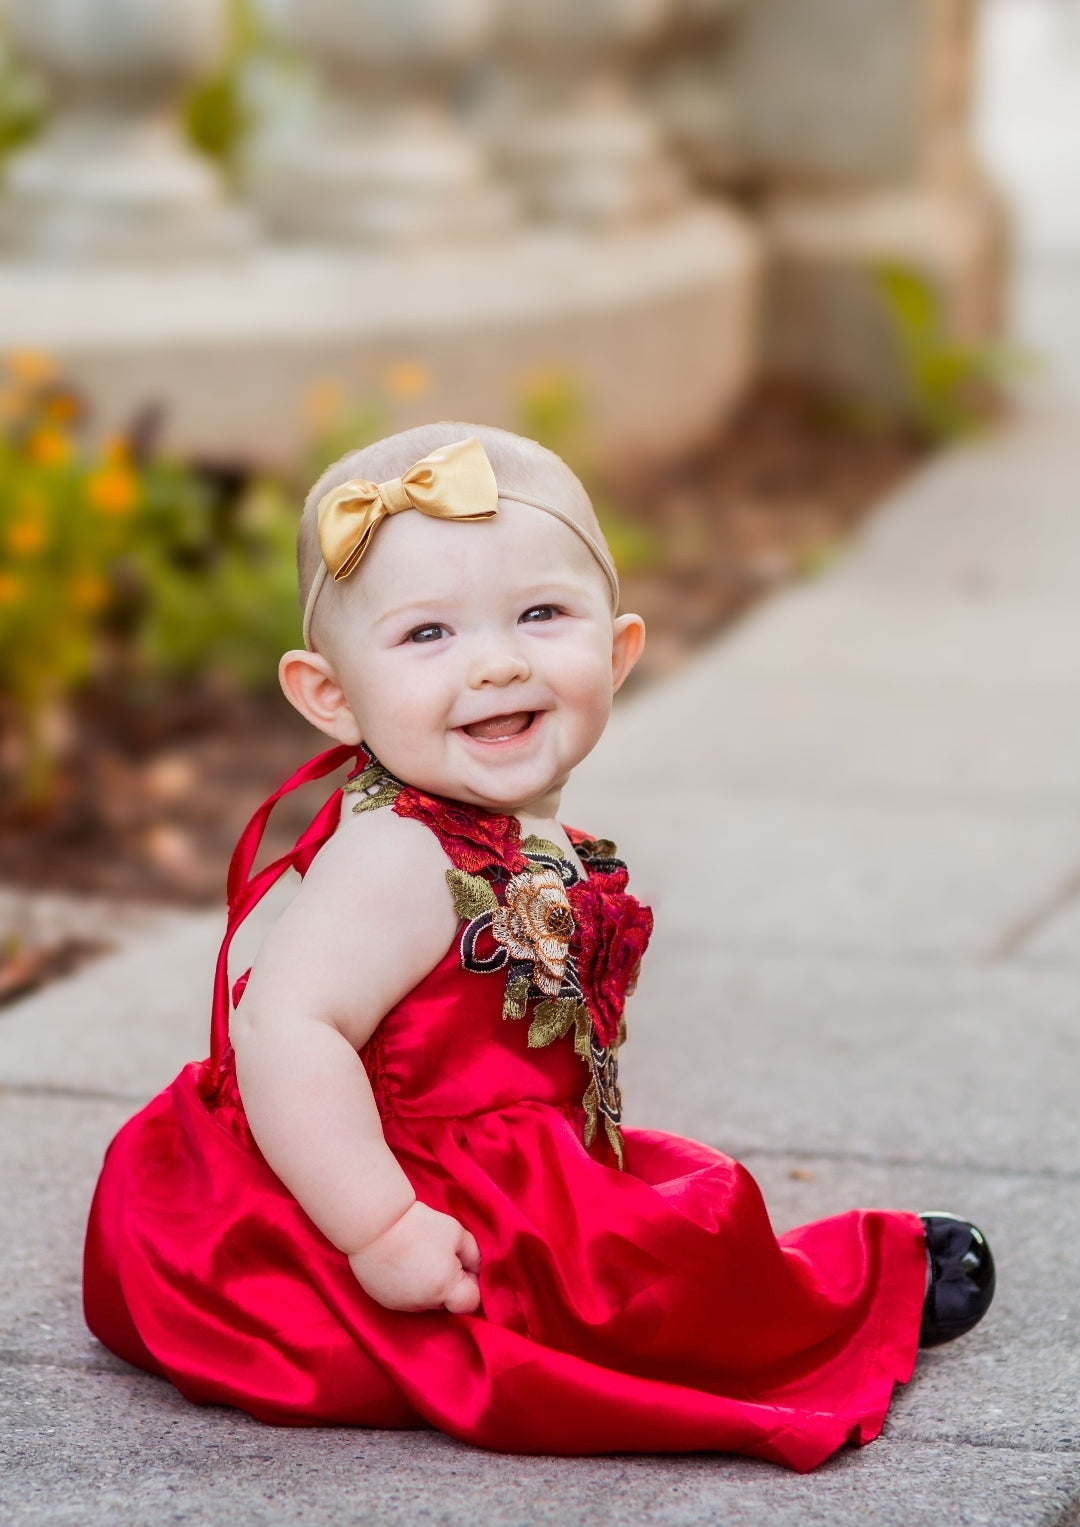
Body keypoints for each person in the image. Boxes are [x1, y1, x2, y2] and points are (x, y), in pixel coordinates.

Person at [83, 423, 995, 1472]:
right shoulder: (397, 860)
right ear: (329, 696)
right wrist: (381, 1229)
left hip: (505, 1154)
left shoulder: (504, 827)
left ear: (617, 651)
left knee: (666, 1216)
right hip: (364, 1189)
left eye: (542, 615)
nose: (498, 661)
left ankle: (815, 1287)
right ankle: (846, 1286)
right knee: (631, 1268)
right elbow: (286, 1030)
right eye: (428, 634)